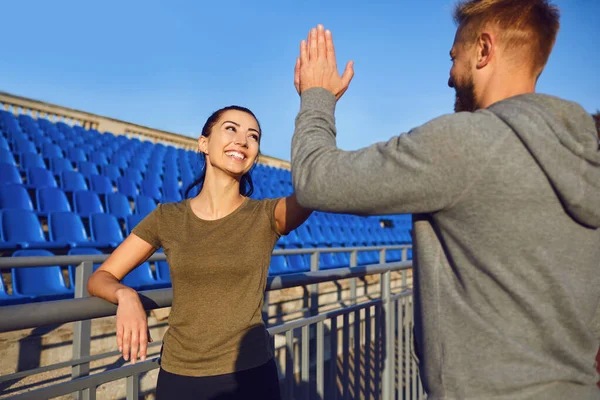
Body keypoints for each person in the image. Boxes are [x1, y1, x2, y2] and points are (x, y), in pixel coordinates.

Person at [290, 0, 600, 398]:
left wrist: (317, 98)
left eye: (455, 57)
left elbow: (316, 180)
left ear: (484, 50)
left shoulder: (465, 141)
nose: (449, 77)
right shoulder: (586, 155)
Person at [87, 105, 312, 400]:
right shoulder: (167, 217)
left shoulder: (266, 215)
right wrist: (125, 295)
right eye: (231, 129)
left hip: (251, 375)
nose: (243, 141)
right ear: (203, 143)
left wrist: (316, 102)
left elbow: (314, 188)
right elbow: (100, 277)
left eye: (253, 136)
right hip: (180, 376)